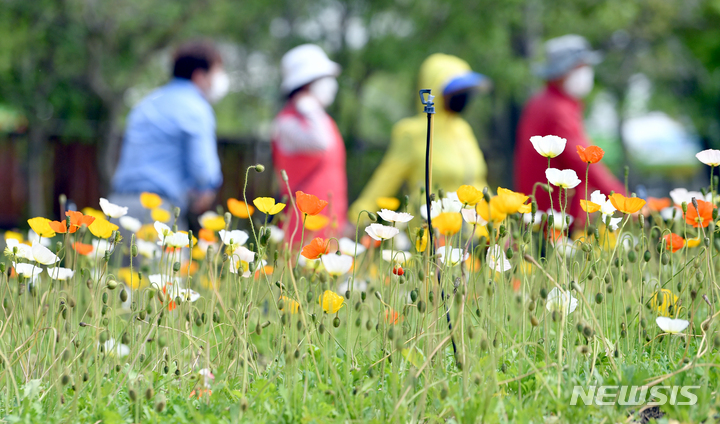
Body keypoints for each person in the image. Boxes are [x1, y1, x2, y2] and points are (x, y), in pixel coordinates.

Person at [349, 53, 490, 222]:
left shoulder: (463, 129)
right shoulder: (412, 132)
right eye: (456, 91)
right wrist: (356, 218)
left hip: (473, 234)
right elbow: (385, 179)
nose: (462, 97)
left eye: (464, 91)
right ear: (435, 91)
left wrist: (499, 218)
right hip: (431, 232)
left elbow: (479, 183)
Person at [111, 40, 228, 228]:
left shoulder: (146, 103)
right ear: (199, 75)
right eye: (216, 72)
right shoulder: (196, 107)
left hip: (119, 207)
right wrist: (206, 190)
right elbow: (203, 171)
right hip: (157, 211)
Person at [514, 35, 624, 227]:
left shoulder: (541, 103)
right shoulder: (557, 110)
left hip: (540, 212)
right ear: (562, 72)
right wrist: (621, 199)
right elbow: (583, 161)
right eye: (580, 67)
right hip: (555, 215)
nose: (586, 73)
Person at [272, 44, 348, 240]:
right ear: (306, 83)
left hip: (330, 222)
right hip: (302, 227)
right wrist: (309, 106)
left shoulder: (322, 119)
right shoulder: (287, 122)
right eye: (324, 78)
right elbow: (320, 142)